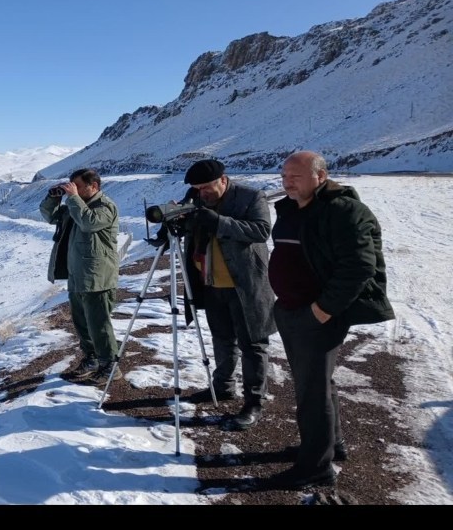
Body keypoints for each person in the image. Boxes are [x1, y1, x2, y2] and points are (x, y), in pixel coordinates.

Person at [266, 150, 394, 489]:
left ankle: (315, 467)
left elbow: (359, 267)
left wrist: (322, 310)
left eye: (295, 176)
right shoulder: (292, 208)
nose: (287, 182)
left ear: (320, 177)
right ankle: (330, 445)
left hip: (317, 314)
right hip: (292, 309)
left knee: (312, 392)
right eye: (283, 177)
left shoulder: (344, 211)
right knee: (319, 384)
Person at [147, 159, 276, 430]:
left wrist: (219, 221)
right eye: (197, 188)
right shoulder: (195, 199)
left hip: (244, 284)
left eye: (206, 187)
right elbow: (189, 230)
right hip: (210, 282)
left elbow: (261, 231)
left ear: (223, 179)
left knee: (252, 344)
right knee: (222, 338)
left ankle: (254, 403)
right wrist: (172, 228)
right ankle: (223, 386)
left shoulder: (251, 197)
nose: (201, 193)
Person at [40, 168, 121, 385]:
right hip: (77, 274)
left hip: (98, 276)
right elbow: (50, 217)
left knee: (99, 323)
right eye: (70, 186)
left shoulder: (105, 207)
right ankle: (92, 358)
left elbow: (89, 222)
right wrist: (52, 199)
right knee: (82, 322)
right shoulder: (75, 206)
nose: (71, 190)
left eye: (77, 186)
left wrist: (73, 198)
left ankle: (110, 365)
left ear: (93, 186)